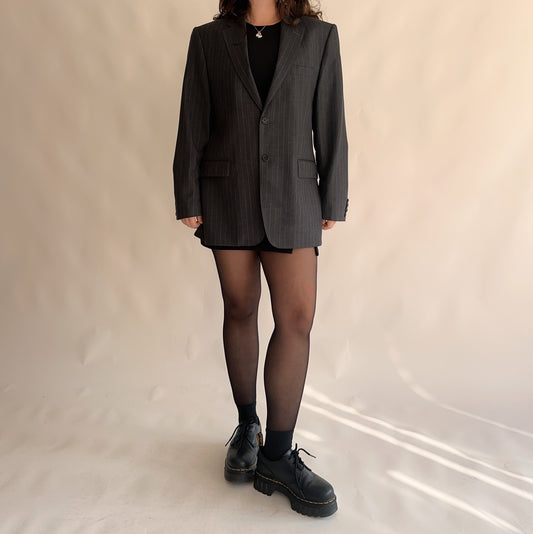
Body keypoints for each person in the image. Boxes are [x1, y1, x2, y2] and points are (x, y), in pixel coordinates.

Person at [172, 0, 348, 518]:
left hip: (294, 196)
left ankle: (277, 455)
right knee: (240, 308)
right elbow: (193, 119)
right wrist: (187, 195)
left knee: (297, 318)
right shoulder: (209, 39)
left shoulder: (319, 36)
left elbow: (330, 118)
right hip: (226, 194)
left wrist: (332, 196)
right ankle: (248, 425)